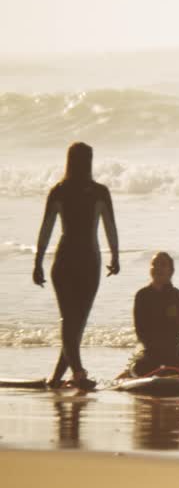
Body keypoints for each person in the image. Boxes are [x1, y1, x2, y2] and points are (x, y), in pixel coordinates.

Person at [32, 142, 120, 391]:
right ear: (90, 161)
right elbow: (110, 227)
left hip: (64, 262)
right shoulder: (99, 192)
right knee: (75, 322)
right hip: (89, 263)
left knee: (71, 322)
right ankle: (78, 373)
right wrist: (115, 256)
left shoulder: (58, 191)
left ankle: (57, 378)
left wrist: (38, 262)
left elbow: (46, 230)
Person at [119, 252, 179, 379]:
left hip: (172, 348)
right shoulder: (142, 295)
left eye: (163, 265)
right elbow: (140, 330)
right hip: (148, 348)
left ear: (171, 271)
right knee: (141, 369)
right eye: (154, 264)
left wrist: (165, 347)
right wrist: (153, 347)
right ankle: (129, 371)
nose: (158, 268)